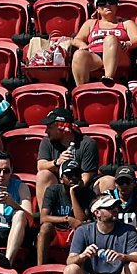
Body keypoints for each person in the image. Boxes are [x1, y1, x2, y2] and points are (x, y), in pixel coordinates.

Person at [36, 107, 102, 262]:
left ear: (63, 127)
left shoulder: (87, 143)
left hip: (82, 189)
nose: (46, 131)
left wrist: (73, 184)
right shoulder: (47, 141)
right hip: (58, 188)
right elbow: (41, 165)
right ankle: (47, 217)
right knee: (43, 175)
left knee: (106, 182)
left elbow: (87, 175)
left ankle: (100, 226)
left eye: (50, 127)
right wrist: (57, 162)